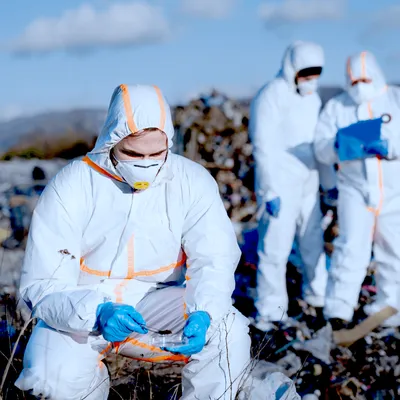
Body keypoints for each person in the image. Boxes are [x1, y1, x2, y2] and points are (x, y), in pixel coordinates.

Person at [15, 84, 251, 399]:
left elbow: (215, 257)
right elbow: (43, 285)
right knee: (51, 377)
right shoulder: (73, 184)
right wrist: (97, 312)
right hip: (83, 310)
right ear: (111, 141)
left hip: (157, 303)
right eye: (133, 153)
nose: (145, 163)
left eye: (156, 153)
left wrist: (204, 310)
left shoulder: (191, 182)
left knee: (228, 332)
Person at [249, 41, 334, 332]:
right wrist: (269, 190)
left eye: (316, 73)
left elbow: (320, 144)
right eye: (306, 73)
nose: (311, 80)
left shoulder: (313, 100)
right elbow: (262, 146)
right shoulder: (271, 95)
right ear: (292, 69)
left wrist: (329, 184)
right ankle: (270, 311)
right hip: (280, 185)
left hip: (308, 183)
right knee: (275, 249)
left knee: (313, 243)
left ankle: (317, 298)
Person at [314, 51, 400, 328]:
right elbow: (321, 148)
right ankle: (339, 310)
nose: (360, 85)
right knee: (350, 247)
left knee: (394, 250)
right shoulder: (337, 107)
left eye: (365, 79)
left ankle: (391, 308)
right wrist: (339, 145)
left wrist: (391, 147)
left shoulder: (395, 99)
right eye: (354, 81)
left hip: (394, 191)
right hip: (355, 191)